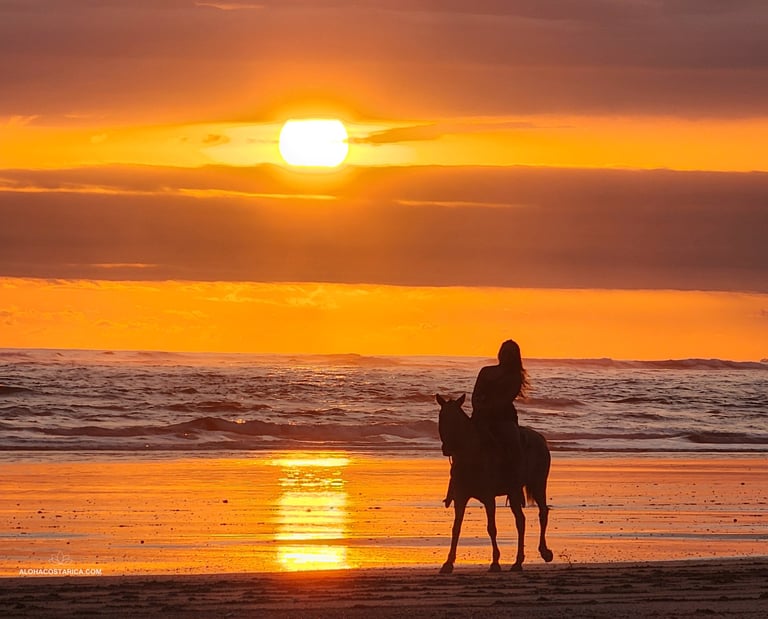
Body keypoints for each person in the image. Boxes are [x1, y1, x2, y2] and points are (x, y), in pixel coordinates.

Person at [443, 339, 528, 507]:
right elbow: (476, 393)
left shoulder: (515, 377)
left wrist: (489, 409)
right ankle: (453, 487)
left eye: (510, 353)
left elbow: (506, 399)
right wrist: (478, 407)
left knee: (513, 443)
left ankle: (515, 486)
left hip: (503, 418)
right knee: (461, 444)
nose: (506, 355)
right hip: (481, 415)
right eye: (504, 352)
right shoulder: (486, 371)